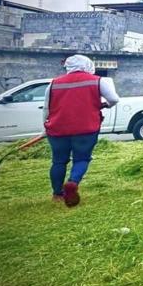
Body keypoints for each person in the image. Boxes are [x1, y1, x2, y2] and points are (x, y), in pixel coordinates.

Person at [42, 55, 120, 206]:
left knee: (58, 161)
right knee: (82, 159)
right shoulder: (98, 81)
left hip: (57, 129)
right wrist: (105, 105)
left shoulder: (53, 83)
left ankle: (57, 194)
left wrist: (44, 128)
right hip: (86, 128)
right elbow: (114, 99)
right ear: (88, 65)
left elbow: (47, 108)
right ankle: (73, 182)